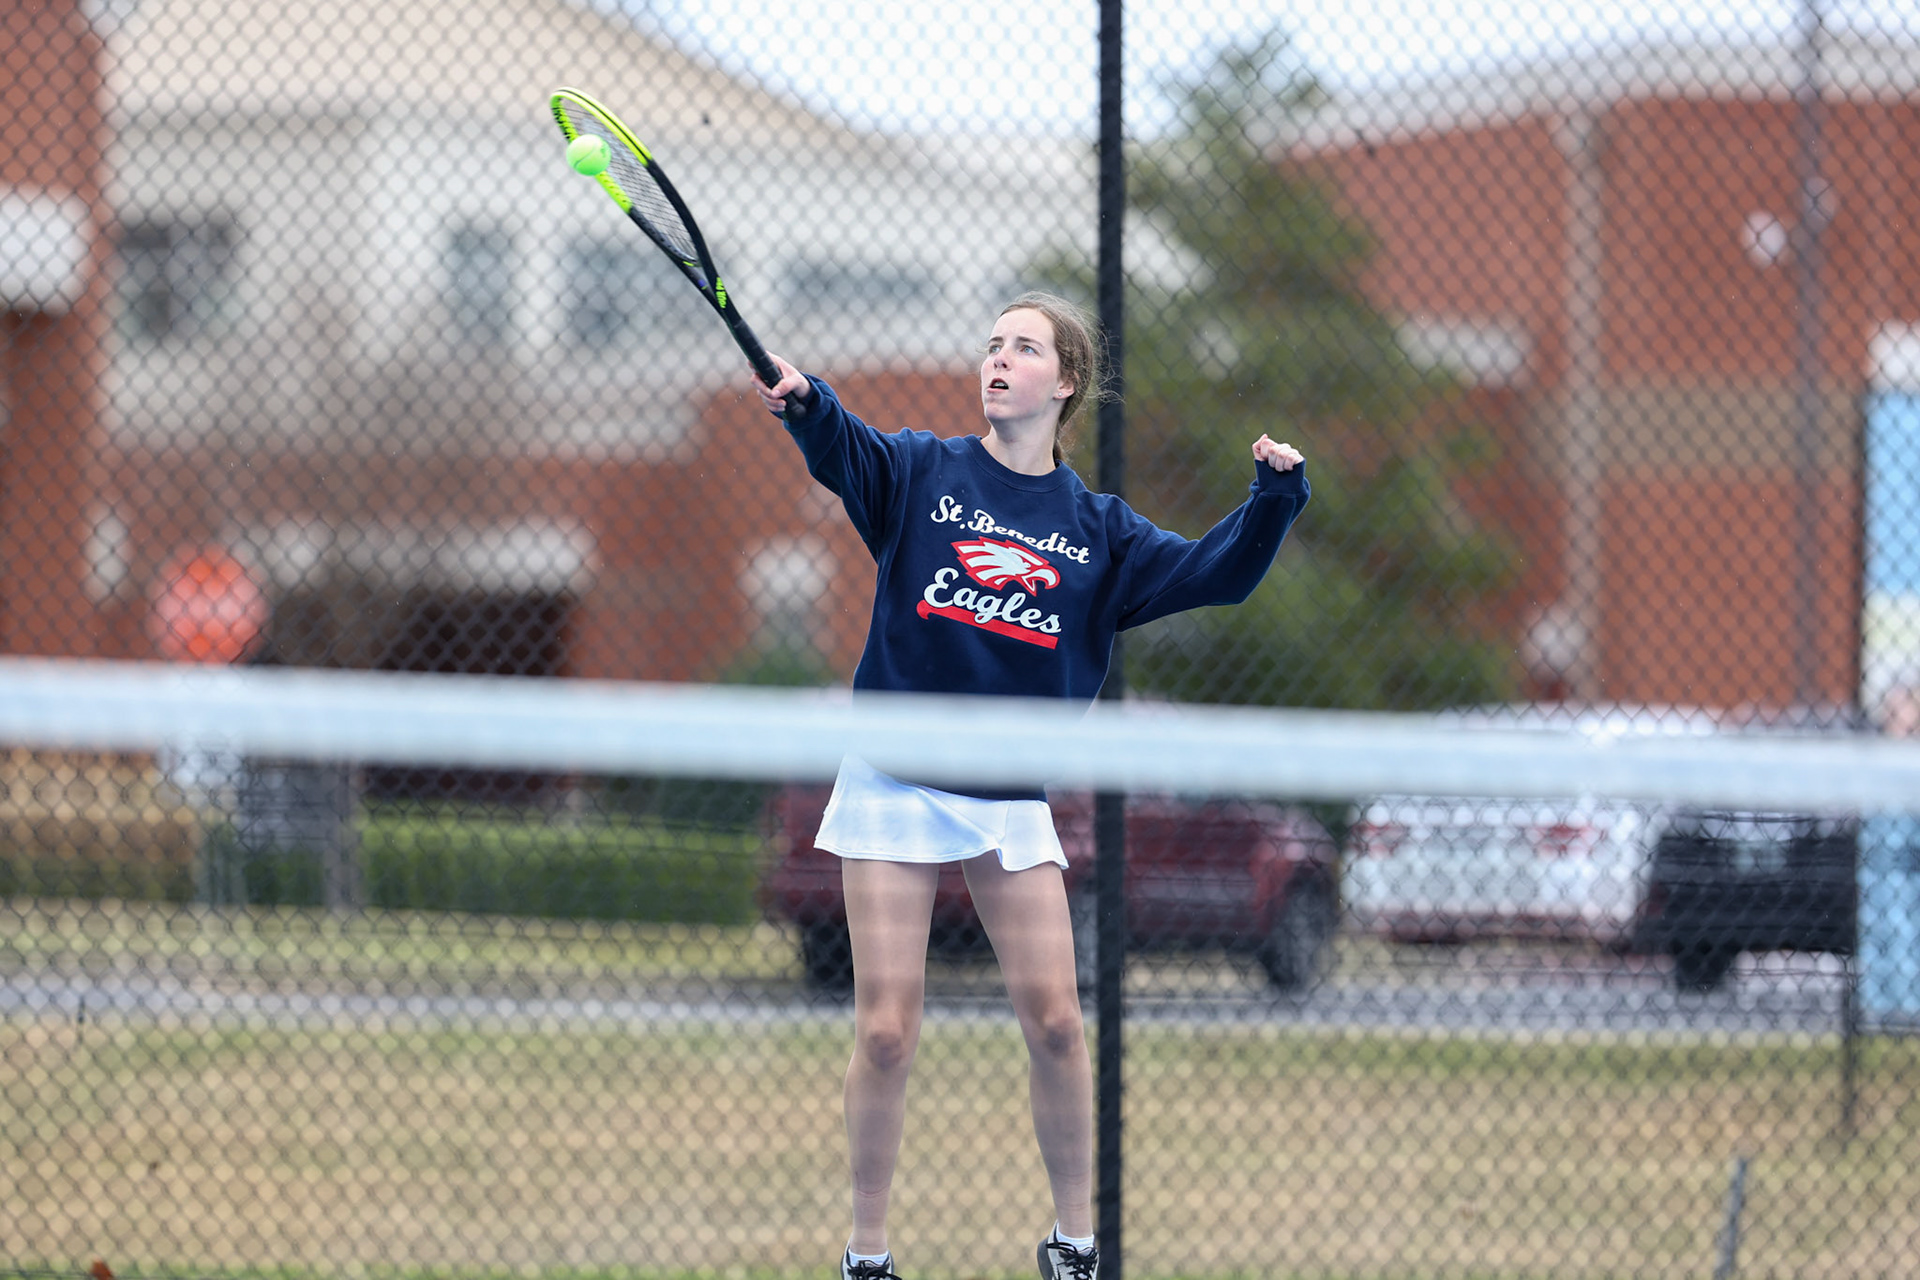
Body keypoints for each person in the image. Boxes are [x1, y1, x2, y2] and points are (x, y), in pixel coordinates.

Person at [752, 291, 1309, 1280]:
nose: (998, 359)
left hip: (1006, 796)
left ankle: (1074, 1245)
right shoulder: (924, 471)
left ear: (1065, 382)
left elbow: (1214, 572)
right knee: (885, 1030)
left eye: (1022, 347)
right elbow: (847, 447)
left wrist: (1271, 500)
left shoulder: (1099, 531)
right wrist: (808, 402)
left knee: (1057, 1019)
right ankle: (868, 1253)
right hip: (895, 777)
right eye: (992, 344)